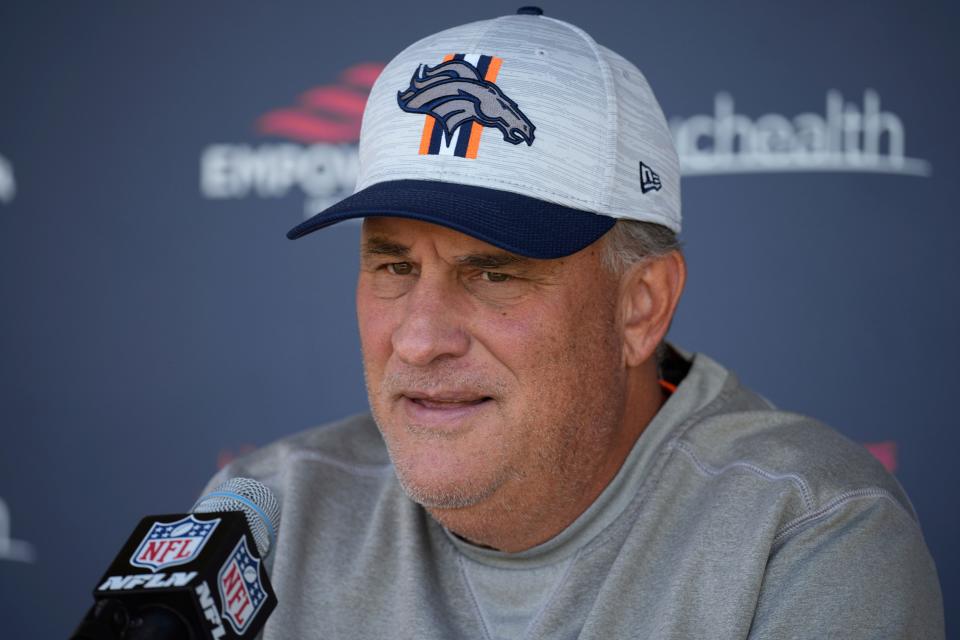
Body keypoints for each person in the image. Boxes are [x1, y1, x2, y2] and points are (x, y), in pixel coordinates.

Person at [208, 8, 945, 638]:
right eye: (395, 267)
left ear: (641, 305)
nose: (420, 338)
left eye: (494, 273)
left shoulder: (805, 529)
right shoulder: (268, 514)